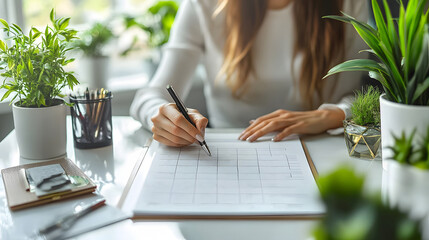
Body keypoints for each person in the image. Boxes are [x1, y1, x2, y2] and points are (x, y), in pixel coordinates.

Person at [130, 0, 368, 147]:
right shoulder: (203, 5)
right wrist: (161, 115)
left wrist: (332, 115)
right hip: (228, 151)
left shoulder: (348, 5)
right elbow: (148, 97)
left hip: (316, 149)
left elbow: (358, 97)